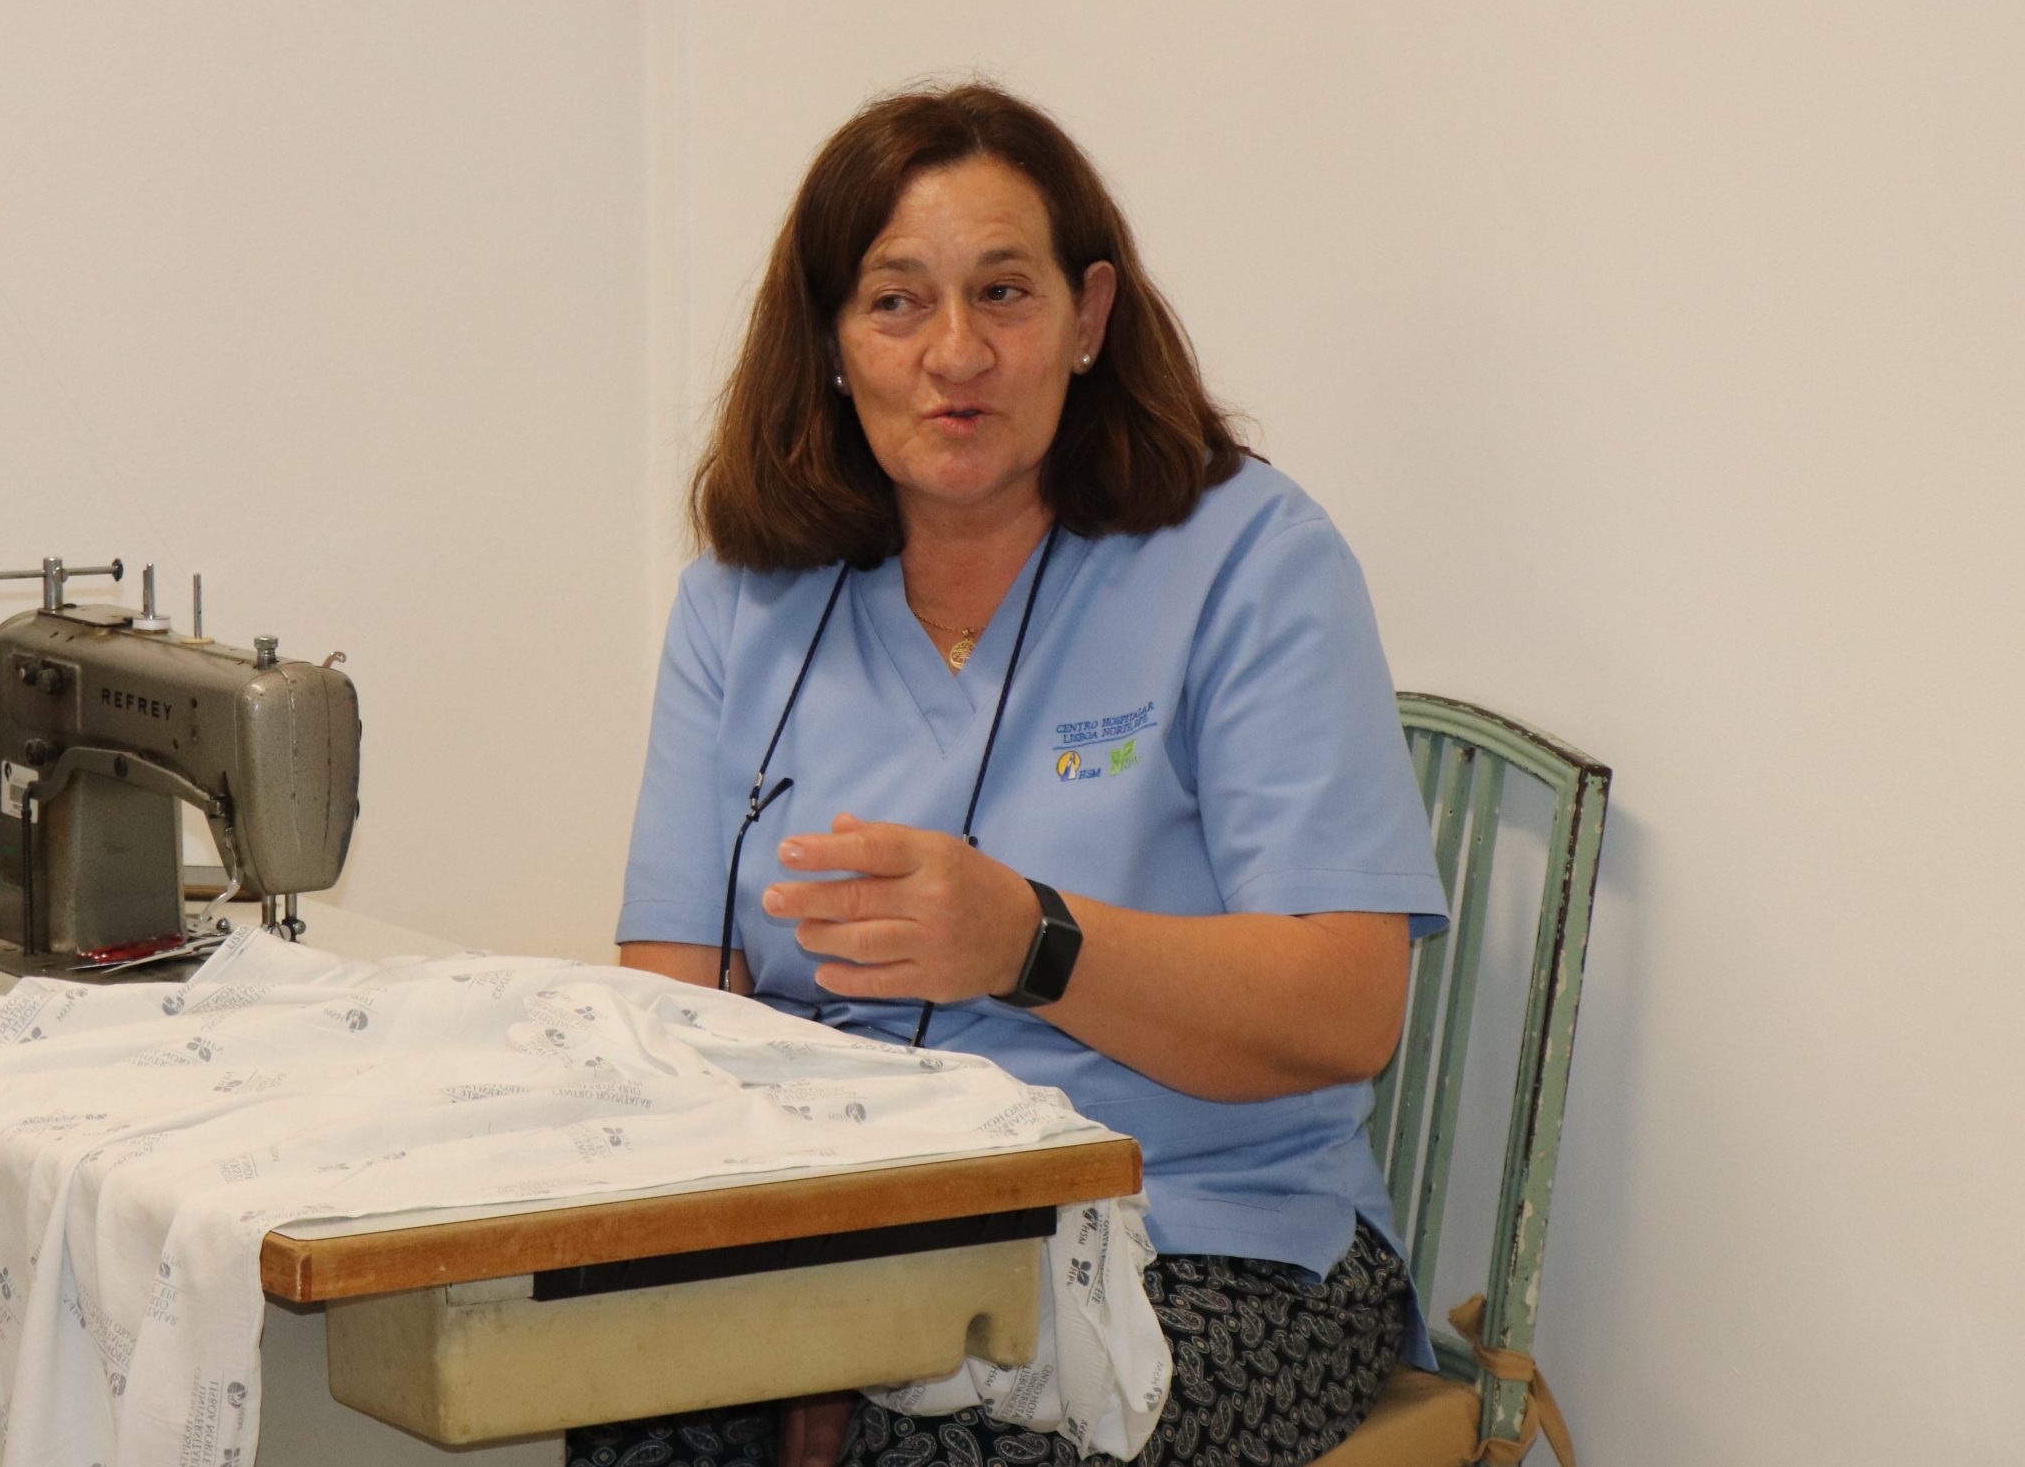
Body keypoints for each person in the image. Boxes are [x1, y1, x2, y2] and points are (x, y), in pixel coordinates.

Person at [572, 83, 1446, 1467]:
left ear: (1089, 316)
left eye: (1004, 292)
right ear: (829, 339)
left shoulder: (1250, 559)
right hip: (841, 1235)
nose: (956, 352)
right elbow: (673, 998)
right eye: (896, 302)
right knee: (611, 1412)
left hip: (1208, 1233)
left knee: (931, 1455)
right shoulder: (744, 597)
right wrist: (810, 1300)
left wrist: (1026, 940)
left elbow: (1348, 1009)